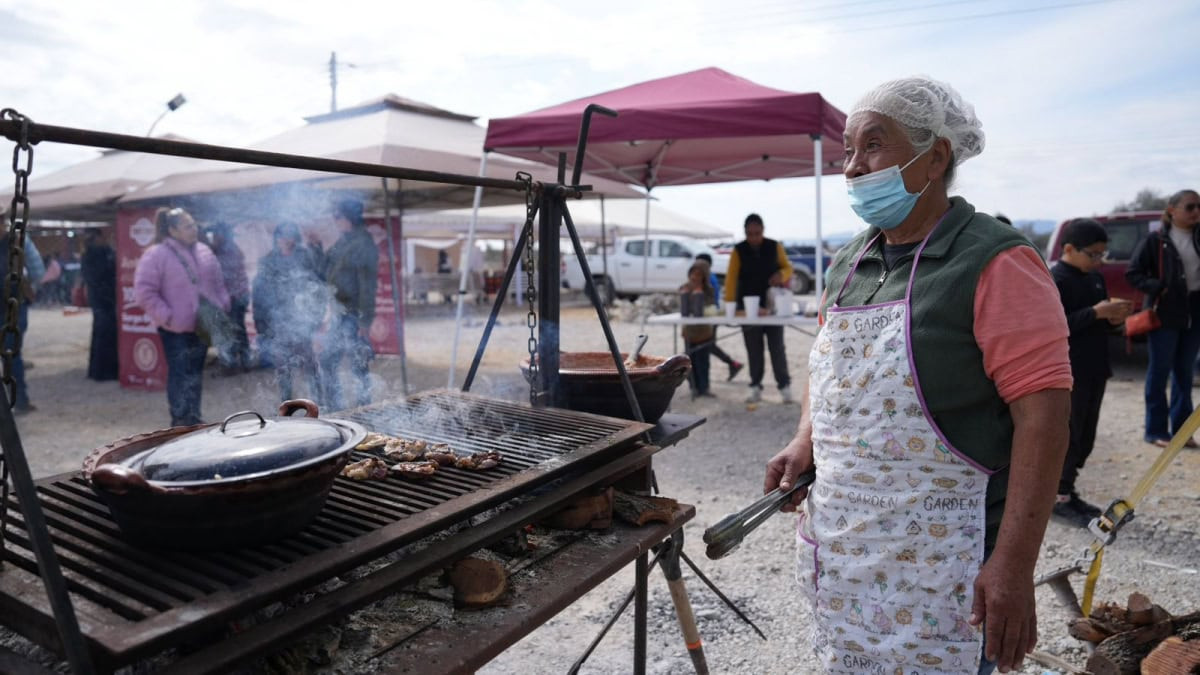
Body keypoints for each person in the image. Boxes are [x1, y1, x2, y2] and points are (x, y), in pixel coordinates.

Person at [763, 76, 1072, 675]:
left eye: (873, 145)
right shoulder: (849, 263)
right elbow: (830, 368)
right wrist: (804, 440)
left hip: (946, 567)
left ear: (937, 156)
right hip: (845, 554)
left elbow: (1045, 420)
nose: (852, 167)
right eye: (848, 150)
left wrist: (1012, 564)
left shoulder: (996, 260)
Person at [1051, 219, 1131, 526]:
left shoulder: (1095, 279)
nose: (1099, 261)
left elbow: (1102, 325)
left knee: (1085, 436)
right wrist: (1097, 312)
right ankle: (1058, 497)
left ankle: (1067, 491)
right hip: (1069, 370)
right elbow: (1056, 326)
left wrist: (1115, 321)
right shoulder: (1056, 279)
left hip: (1096, 367)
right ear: (1069, 249)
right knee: (1068, 435)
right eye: (1093, 255)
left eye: (1103, 255)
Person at [134, 207, 229, 427]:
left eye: (194, 225)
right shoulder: (156, 254)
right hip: (174, 329)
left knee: (196, 373)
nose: (194, 229)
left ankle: (193, 417)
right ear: (173, 230)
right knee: (179, 374)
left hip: (202, 325)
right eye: (188, 226)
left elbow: (218, 282)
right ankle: (179, 420)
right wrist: (167, 317)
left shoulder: (205, 250)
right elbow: (144, 292)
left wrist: (223, 304)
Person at [1126, 189, 1200, 448]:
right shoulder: (1156, 240)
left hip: (1195, 311)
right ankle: (1156, 431)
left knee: (1184, 372)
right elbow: (1133, 273)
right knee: (1159, 372)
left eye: (1199, 207)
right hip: (1165, 312)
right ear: (1172, 209)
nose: (1196, 212)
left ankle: (1181, 432)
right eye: (1190, 207)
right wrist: (1158, 287)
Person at [313, 199, 378, 410]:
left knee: (358, 365)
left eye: (337, 216)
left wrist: (365, 320)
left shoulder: (363, 243)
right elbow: (324, 268)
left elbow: (367, 285)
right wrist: (315, 245)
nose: (334, 220)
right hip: (339, 313)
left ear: (348, 217)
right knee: (328, 360)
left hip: (353, 314)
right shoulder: (345, 241)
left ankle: (365, 408)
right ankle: (336, 408)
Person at [723, 213, 793, 403]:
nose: (753, 237)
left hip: (772, 308)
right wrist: (729, 307)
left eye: (757, 233)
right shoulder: (738, 250)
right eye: (750, 233)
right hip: (748, 308)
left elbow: (788, 268)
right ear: (745, 232)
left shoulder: (774, 246)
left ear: (763, 230)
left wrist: (781, 274)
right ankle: (755, 386)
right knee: (753, 350)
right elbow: (730, 279)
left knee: (777, 348)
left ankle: (784, 386)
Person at [252, 221, 325, 401]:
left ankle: (320, 402)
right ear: (276, 238)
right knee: (283, 369)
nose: (287, 240)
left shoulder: (306, 257)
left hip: (302, 323)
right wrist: (261, 327)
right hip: (277, 326)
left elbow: (320, 285)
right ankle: (287, 404)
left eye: (291, 235)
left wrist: (316, 317)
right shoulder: (267, 262)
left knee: (310, 366)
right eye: (283, 235)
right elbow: (258, 296)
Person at [0, 232, 45, 413]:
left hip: (13, 305)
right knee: (12, 355)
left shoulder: (19, 239)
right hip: (13, 304)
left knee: (13, 356)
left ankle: (19, 401)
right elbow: (37, 272)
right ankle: (20, 402)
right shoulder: (19, 239)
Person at [205, 221, 252, 373]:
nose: (213, 238)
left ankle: (233, 363)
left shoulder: (228, 252)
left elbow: (224, 277)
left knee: (233, 330)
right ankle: (242, 361)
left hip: (235, 297)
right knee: (237, 330)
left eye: (216, 234)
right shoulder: (224, 250)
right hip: (234, 296)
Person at [695, 252, 744, 381]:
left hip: (709, 317)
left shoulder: (707, 279)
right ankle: (733, 364)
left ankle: (732, 364)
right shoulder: (711, 277)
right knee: (707, 345)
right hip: (711, 315)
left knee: (703, 346)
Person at [80, 228, 118, 381]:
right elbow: (106, 273)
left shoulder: (88, 254)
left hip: (98, 299)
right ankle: (105, 371)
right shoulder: (100, 254)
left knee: (99, 334)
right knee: (106, 335)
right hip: (105, 300)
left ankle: (97, 370)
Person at [679, 260, 717, 398]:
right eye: (693, 273)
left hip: (704, 332)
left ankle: (704, 387)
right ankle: (693, 387)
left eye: (699, 274)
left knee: (704, 362)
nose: (695, 277)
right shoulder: (684, 288)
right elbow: (684, 309)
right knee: (690, 361)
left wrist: (699, 295)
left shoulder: (708, 289)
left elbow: (709, 307)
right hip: (689, 332)